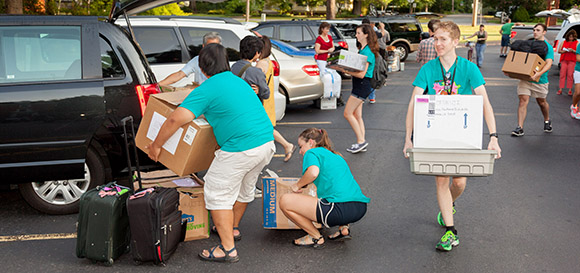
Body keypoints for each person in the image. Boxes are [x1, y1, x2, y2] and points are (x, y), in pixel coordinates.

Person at [146, 43, 275, 263]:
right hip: (266, 143)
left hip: (241, 148)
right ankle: (232, 229)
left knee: (216, 192)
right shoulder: (238, 81)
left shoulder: (207, 88)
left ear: (203, 67)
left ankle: (227, 249)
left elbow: (176, 119)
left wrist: (156, 145)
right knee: (244, 189)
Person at [403, 21, 502, 252]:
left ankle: (450, 203)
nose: (437, 43)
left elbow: (485, 102)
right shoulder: (428, 69)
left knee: (459, 182)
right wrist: (408, 138)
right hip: (436, 135)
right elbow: (413, 104)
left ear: (455, 42)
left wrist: (494, 136)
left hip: (463, 134)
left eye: (443, 39)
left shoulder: (469, 68)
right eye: (435, 39)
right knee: (441, 180)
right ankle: (450, 231)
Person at [279, 128, 370, 248]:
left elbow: (313, 173)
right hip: (359, 208)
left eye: (301, 146)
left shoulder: (312, 152)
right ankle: (344, 228)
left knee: (285, 201)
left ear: (311, 142)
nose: (300, 151)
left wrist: (297, 185)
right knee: (337, 192)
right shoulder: (335, 155)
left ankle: (315, 237)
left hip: (337, 209)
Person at [334, 24, 378, 153]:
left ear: (366, 35)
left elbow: (362, 74)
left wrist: (345, 70)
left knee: (347, 113)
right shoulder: (363, 49)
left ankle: (361, 141)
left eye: (359, 33)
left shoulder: (368, 52)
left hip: (363, 84)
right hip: (360, 84)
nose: (356, 35)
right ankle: (361, 141)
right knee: (357, 115)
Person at [256, 35, 296, 162]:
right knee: (266, 127)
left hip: (261, 100)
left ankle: (286, 145)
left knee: (265, 127)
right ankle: (286, 145)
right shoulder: (268, 61)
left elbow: (256, 80)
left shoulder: (261, 63)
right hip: (268, 99)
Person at [510, 24, 554, 137]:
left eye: (538, 30)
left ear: (544, 32)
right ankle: (520, 127)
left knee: (542, 103)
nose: (535, 32)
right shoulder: (528, 45)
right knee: (523, 101)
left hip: (540, 80)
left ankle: (547, 120)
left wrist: (538, 74)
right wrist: (511, 71)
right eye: (534, 30)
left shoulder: (547, 47)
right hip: (526, 79)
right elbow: (518, 60)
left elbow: (548, 64)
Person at [231, 36, 269, 102]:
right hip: (249, 107)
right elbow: (266, 94)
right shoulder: (256, 72)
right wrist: (259, 91)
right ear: (257, 53)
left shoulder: (233, 66)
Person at [315, 22, 344, 106]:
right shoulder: (319, 39)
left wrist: (332, 49)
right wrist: (327, 50)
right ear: (322, 29)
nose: (327, 30)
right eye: (326, 29)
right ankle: (325, 95)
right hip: (322, 60)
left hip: (329, 59)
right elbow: (317, 51)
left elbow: (333, 47)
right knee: (325, 77)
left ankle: (336, 95)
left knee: (335, 77)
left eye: (328, 29)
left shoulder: (329, 37)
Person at [557, 30, 578, 96]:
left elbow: (578, 52)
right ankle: (560, 89)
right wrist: (564, 51)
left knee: (570, 75)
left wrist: (573, 51)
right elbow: (559, 51)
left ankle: (570, 90)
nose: (570, 38)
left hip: (572, 60)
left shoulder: (577, 43)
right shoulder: (564, 42)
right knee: (562, 74)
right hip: (564, 60)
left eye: (572, 37)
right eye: (569, 37)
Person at [570, 38, 580, 119]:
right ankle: (574, 106)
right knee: (578, 92)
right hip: (579, 71)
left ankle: (579, 112)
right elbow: (578, 58)